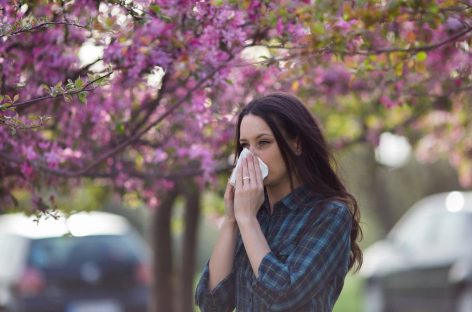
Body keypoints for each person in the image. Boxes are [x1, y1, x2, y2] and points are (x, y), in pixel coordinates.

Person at [195, 92, 362, 311]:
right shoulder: (253, 214)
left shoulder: (329, 215)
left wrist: (247, 221)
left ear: (297, 145)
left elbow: (284, 297)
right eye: (245, 146)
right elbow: (212, 304)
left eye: (263, 143)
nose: (250, 157)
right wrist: (231, 220)